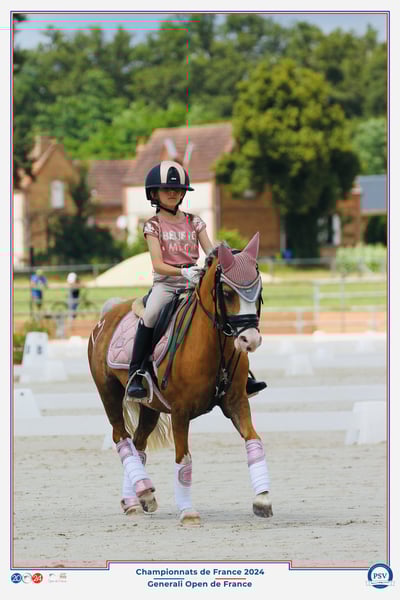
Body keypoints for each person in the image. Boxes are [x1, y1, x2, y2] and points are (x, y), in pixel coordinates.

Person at [127, 160, 266, 399]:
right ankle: (137, 373)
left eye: (177, 189)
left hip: (196, 283)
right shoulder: (153, 225)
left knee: (224, 315)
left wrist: (224, 263)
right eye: (167, 189)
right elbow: (157, 264)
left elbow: (211, 253)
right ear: (154, 194)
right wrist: (182, 272)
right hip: (167, 284)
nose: (173, 193)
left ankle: (243, 374)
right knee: (150, 315)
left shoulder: (195, 221)